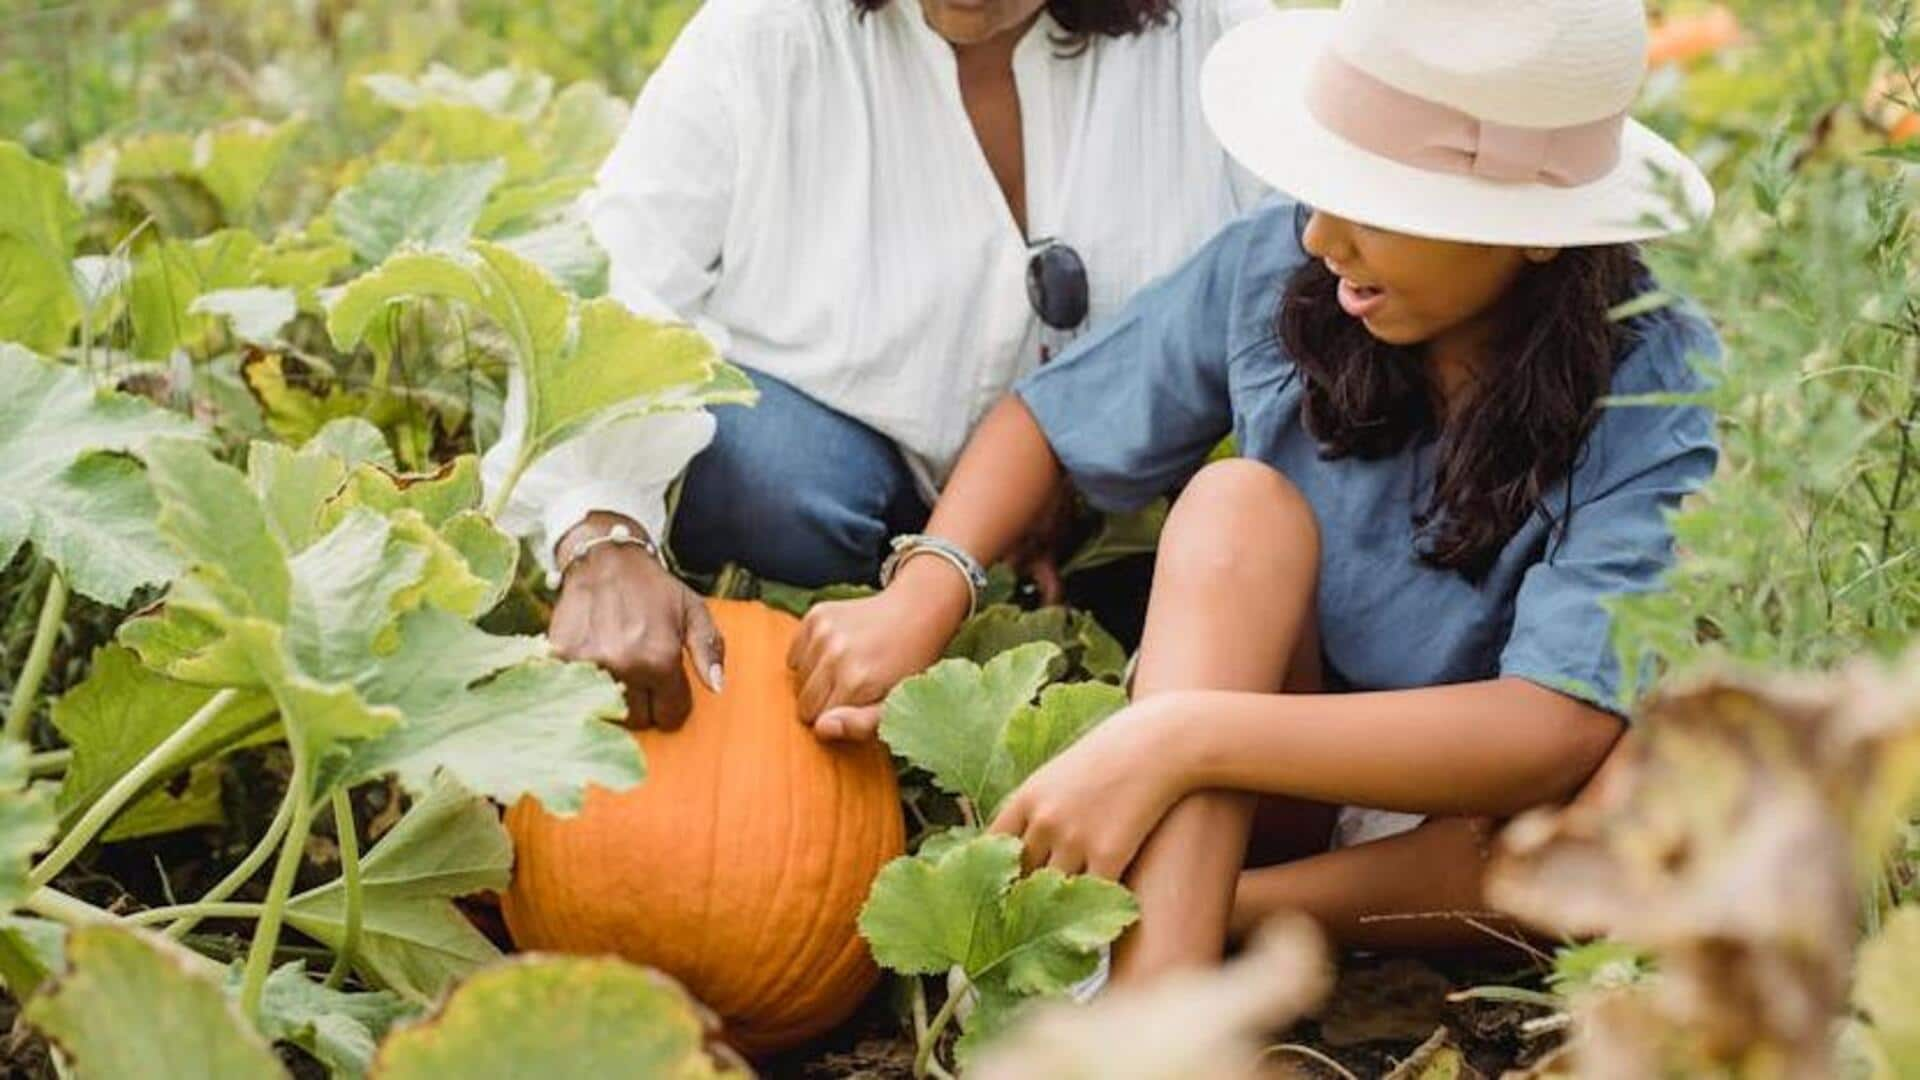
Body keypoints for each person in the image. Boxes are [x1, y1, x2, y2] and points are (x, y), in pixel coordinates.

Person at [790, 0, 1720, 980]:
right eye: (1323, 186)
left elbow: (1551, 729)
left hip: (1490, 831)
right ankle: (1161, 1009)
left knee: (1666, 777)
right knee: (1239, 505)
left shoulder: (1656, 376)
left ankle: (1212, 916)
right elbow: (1048, 421)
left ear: (1537, 231)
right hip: (1276, 777)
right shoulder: (1281, 268)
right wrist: (927, 586)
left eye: (1375, 202)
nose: (1322, 234)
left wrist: (1182, 735)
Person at [478, 0, 1272, 728]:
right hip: (839, 491)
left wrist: (1078, 464)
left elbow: (1310, 286)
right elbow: (616, 281)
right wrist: (600, 528)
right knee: (756, 474)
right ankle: (854, 641)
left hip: (1105, 516)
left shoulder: (1218, 39)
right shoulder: (764, 34)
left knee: (1215, 551)